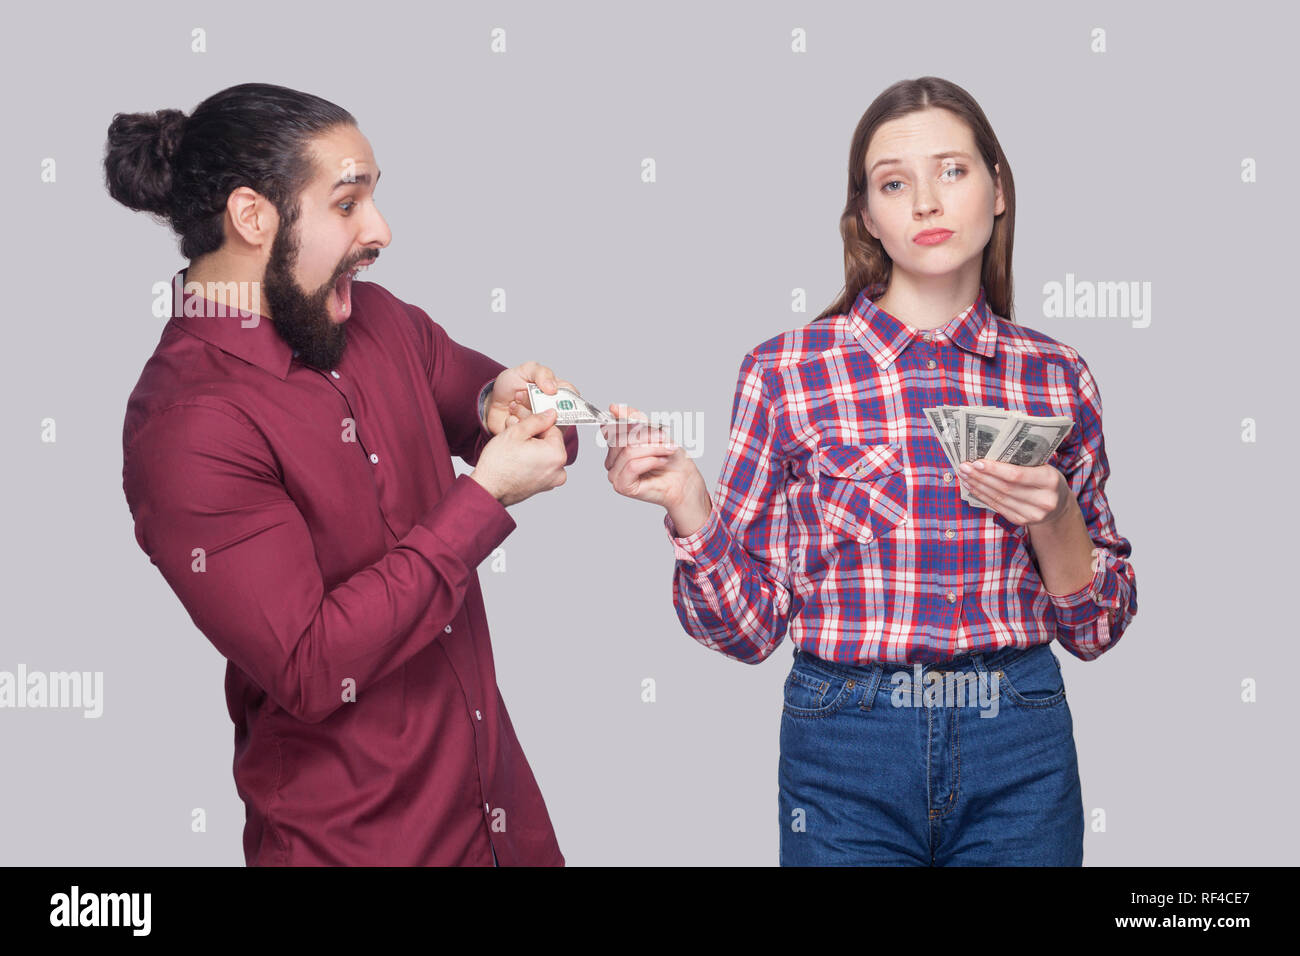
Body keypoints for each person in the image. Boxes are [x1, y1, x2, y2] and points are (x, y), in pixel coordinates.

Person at [592, 77, 1138, 865]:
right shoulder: (785, 371)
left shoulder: (1057, 376)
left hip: (1019, 736)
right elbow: (746, 633)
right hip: (845, 743)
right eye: (894, 182)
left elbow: (1098, 628)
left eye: (952, 171)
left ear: (998, 192)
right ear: (867, 218)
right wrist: (686, 500)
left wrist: (1056, 521)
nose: (925, 202)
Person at [108, 83, 579, 866]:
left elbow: (517, 418)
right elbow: (312, 664)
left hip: (504, 828)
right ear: (253, 217)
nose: (381, 231)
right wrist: (483, 498)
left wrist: (514, 400)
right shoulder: (186, 425)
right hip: (354, 847)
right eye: (347, 204)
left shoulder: (380, 319)